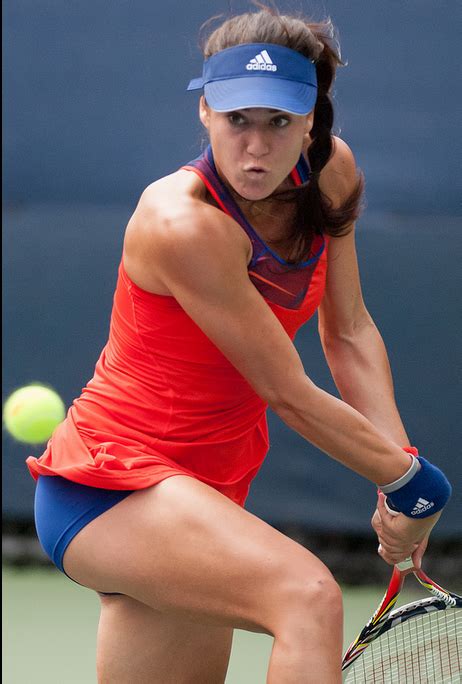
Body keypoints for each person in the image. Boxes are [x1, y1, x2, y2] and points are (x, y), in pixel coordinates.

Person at [26, 5, 451, 683]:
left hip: (210, 490)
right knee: (307, 597)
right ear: (205, 115)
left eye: (278, 122)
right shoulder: (181, 223)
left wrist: (396, 469)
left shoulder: (332, 173)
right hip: (113, 486)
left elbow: (347, 331)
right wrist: (412, 484)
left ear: (311, 119)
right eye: (237, 120)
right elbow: (287, 392)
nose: (255, 147)